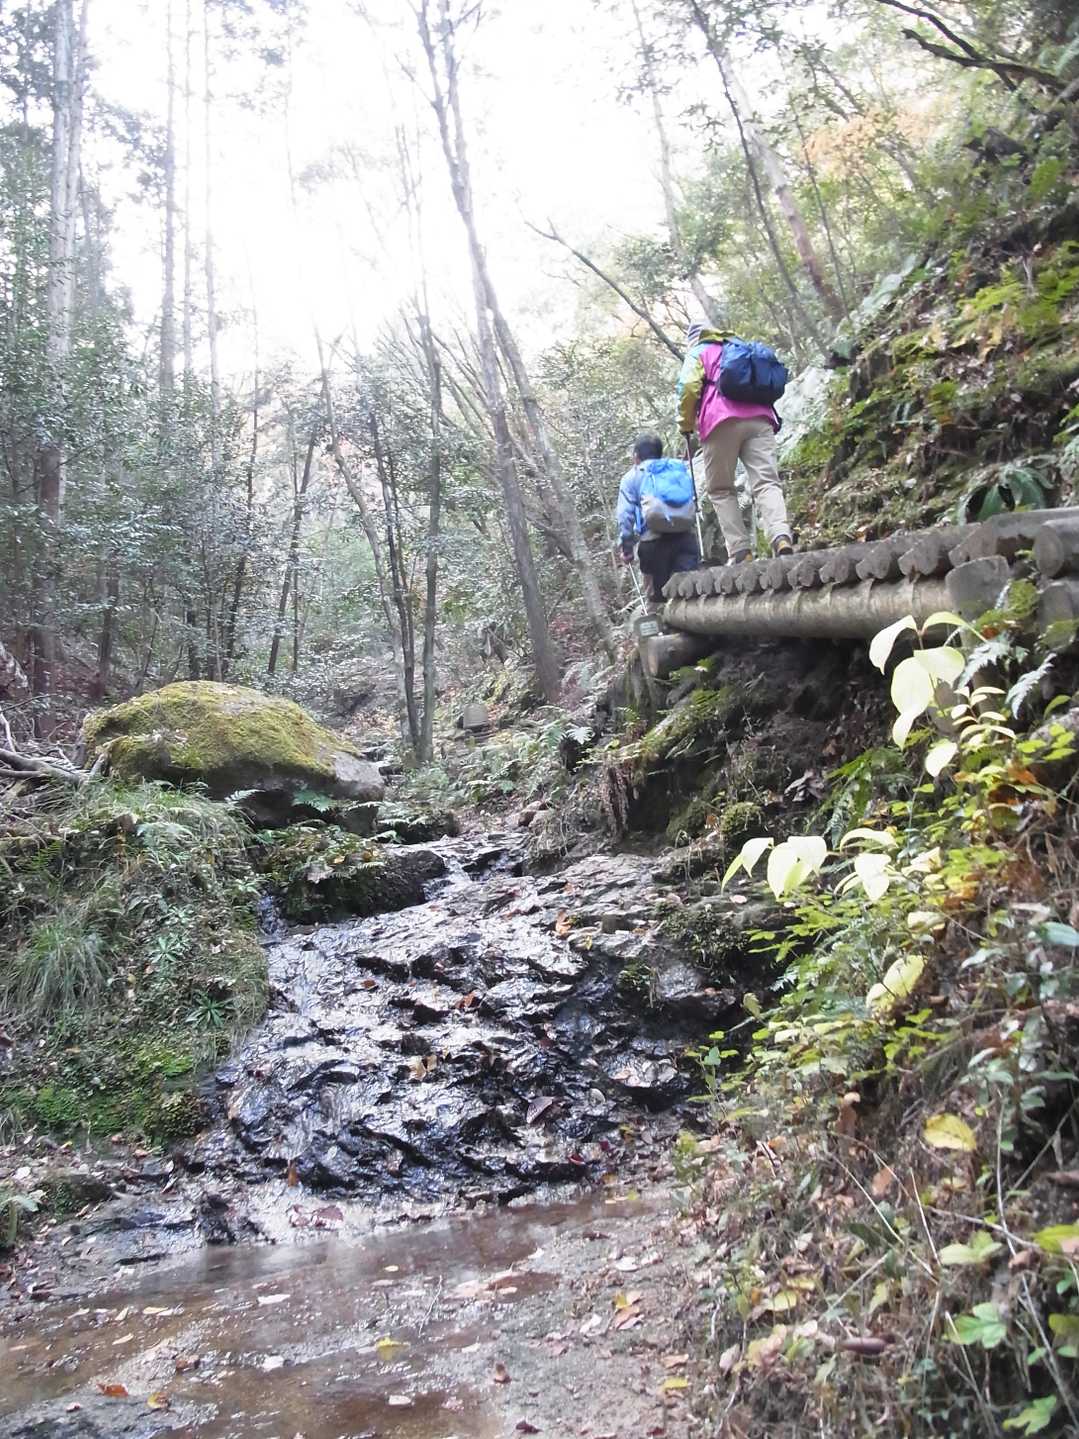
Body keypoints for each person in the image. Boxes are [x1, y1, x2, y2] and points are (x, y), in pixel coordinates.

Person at [677, 323, 794, 565]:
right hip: (760, 418)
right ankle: (781, 536)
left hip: (720, 422)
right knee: (766, 481)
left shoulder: (699, 351)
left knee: (720, 489)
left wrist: (686, 424)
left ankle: (741, 550)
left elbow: (688, 387)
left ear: (693, 340)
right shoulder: (739, 347)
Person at [615, 432, 699, 610]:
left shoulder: (632, 477)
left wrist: (627, 550)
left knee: (657, 603)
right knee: (689, 596)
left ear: (636, 456)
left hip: (653, 545)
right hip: (685, 539)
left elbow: (625, 516)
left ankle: (661, 624)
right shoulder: (676, 469)